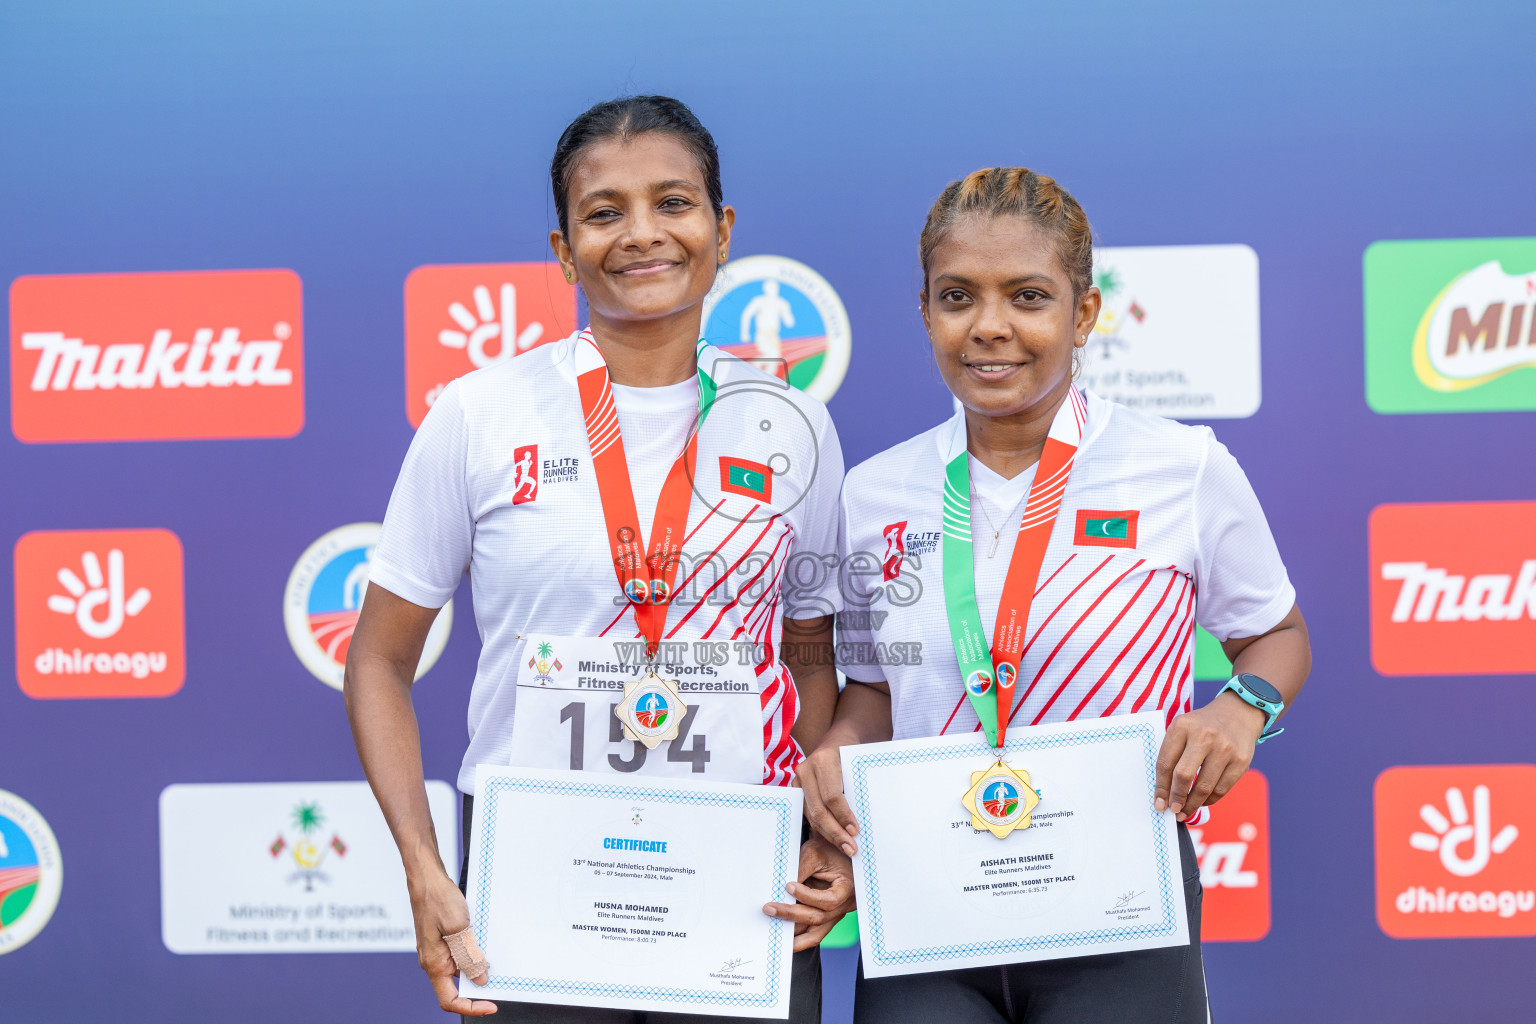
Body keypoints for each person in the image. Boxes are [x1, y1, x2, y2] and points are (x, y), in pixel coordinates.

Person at [344, 95, 851, 1023]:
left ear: (723, 228)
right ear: (562, 248)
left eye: (674, 203)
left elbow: (810, 648)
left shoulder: (794, 425)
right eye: (604, 212)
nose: (643, 234)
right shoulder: (481, 414)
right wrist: (424, 868)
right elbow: (378, 659)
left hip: (744, 881)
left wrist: (814, 826)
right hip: (535, 887)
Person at [796, 167, 1311, 1022]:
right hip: (928, 899)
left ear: (1086, 313)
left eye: (1028, 297)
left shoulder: (1182, 469)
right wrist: (842, 752)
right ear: (924, 311)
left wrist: (1239, 710)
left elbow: (1278, 635)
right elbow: (873, 691)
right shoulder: (872, 493)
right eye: (957, 296)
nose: (990, 327)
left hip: (1119, 903)